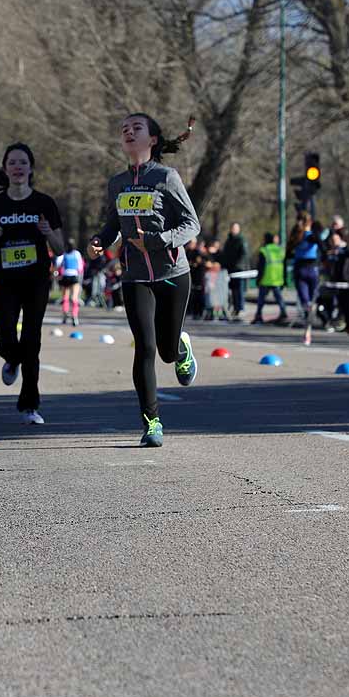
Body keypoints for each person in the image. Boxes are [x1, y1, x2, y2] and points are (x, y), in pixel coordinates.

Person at [88, 113, 199, 447]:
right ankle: (152, 422)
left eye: (136, 128)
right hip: (135, 278)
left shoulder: (167, 177)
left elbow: (192, 224)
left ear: (152, 139)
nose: (128, 132)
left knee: (165, 350)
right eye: (124, 129)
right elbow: (112, 226)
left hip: (172, 274)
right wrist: (99, 241)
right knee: (145, 348)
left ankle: (181, 347)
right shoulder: (117, 183)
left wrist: (160, 240)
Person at [0, 143, 64, 425]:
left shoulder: (44, 204)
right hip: (6, 280)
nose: (18, 167)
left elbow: (61, 246)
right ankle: (11, 358)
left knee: (32, 341)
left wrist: (47, 233)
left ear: (31, 168)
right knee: (5, 336)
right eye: (13, 163)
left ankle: (30, 404)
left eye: (23, 163)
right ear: (6, 169)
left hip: (36, 279)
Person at [252, 233, 287, 324]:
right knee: (279, 297)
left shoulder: (264, 250)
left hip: (266, 279)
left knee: (261, 299)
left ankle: (258, 314)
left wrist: (258, 279)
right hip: (277, 279)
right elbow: (284, 266)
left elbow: (261, 267)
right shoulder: (280, 250)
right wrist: (284, 279)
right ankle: (283, 312)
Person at [220, 222, 250, 319]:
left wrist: (237, 265)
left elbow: (244, 255)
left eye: (235, 228)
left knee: (239, 290)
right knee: (233, 290)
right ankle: (236, 308)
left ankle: (240, 308)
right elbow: (225, 254)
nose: (234, 230)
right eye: (232, 228)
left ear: (239, 229)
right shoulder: (229, 241)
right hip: (230, 270)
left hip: (239, 270)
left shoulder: (241, 240)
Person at [56, 240, 85, 326]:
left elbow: (58, 263)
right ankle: (74, 316)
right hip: (74, 276)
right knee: (74, 298)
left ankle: (65, 315)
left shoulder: (63, 254)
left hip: (65, 276)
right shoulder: (77, 253)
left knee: (65, 297)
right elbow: (80, 266)